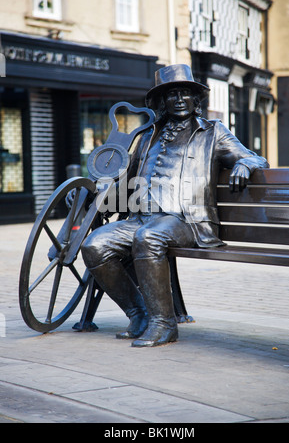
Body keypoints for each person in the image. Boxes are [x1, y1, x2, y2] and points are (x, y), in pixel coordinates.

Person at [81, 64, 269, 347]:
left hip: (187, 220)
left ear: (196, 100)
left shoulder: (213, 132)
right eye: (172, 95)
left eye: (186, 93)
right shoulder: (146, 137)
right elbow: (125, 186)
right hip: (140, 217)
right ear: (162, 102)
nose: (179, 99)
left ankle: (165, 324)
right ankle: (140, 314)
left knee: (149, 237)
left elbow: (255, 158)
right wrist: (89, 199)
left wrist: (244, 164)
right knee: (94, 245)